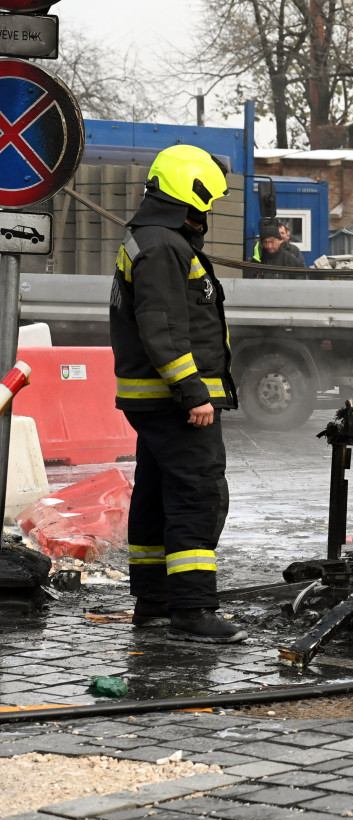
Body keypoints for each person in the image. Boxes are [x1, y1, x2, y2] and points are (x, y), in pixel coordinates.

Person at [109, 144, 246, 643]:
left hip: (154, 400)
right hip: (174, 402)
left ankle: (154, 602)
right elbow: (163, 328)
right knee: (197, 496)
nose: (207, 211)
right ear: (191, 192)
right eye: (206, 201)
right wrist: (193, 394)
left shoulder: (151, 240)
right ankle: (192, 609)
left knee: (156, 496)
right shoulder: (165, 246)